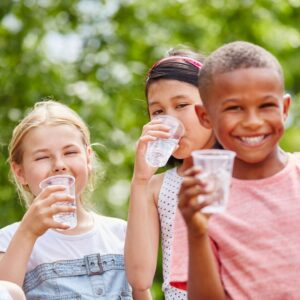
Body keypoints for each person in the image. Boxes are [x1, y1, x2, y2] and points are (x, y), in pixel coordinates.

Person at [169, 41, 300, 299]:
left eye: (266, 106)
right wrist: (197, 233)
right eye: (235, 108)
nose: (252, 122)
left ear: (284, 109)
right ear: (205, 116)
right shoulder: (201, 199)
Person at [0, 100, 150, 299]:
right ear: (20, 172)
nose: (59, 165)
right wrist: (27, 232)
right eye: (42, 157)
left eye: (70, 152)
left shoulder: (121, 233)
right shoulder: (8, 240)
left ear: (88, 159)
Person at [125, 48, 217, 299]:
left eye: (181, 105)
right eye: (158, 112)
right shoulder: (155, 187)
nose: (170, 119)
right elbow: (139, 279)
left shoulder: (245, 172)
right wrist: (140, 179)